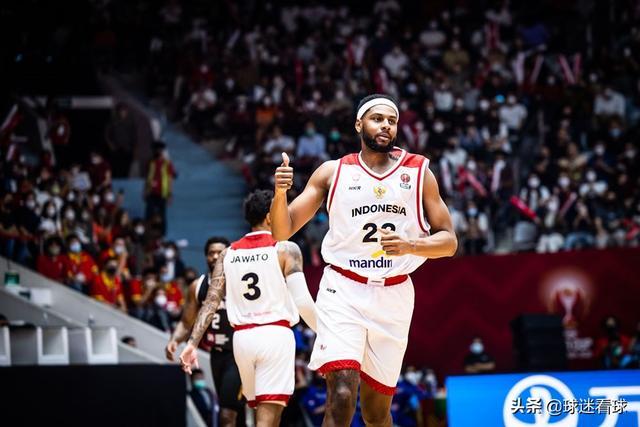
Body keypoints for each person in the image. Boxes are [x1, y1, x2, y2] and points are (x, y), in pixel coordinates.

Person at [270, 94, 457, 426]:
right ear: (359, 124)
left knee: (376, 413)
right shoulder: (333, 172)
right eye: (377, 119)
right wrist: (280, 194)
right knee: (342, 395)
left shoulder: (418, 171)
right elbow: (282, 231)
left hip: (394, 294)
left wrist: (411, 245)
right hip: (343, 289)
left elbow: (449, 242)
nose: (386, 126)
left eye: (391, 121)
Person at [179, 190, 317, 427]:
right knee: (268, 415)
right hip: (274, 335)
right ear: (270, 216)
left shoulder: (228, 253)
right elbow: (303, 302)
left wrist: (192, 343)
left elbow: (211, 301)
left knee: (255, 412)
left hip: (242, 340)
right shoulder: (285, 249)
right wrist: (326, 333)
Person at [165, 236, 245, 427]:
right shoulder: (198, 286)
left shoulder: (241, 282)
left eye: (220, 252)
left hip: (239, 353)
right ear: (206, 257)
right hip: (216, 355)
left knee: (226, 414)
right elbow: (186, 322)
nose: (215, 256)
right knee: (235, 412)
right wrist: (174, 340)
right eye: (211, 253)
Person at [144, 141, 177, 236]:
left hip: (162, 193)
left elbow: (170, 179)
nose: (157, 151)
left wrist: (170, 194)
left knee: (162, 215)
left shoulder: (167, 164)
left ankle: (162, 234)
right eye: (156, 150)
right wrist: (145, 190)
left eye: (159, 150)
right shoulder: (151, 162)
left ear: (162, 151)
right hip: (151, 192)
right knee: (149, 214)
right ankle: (147, 232)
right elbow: (147, 178)